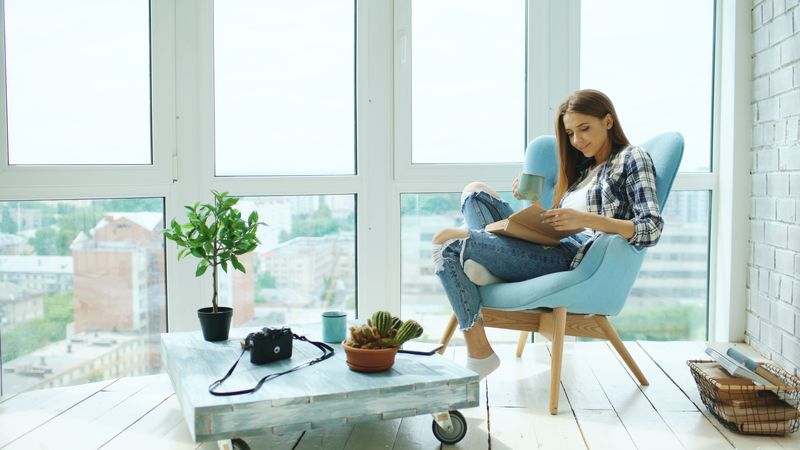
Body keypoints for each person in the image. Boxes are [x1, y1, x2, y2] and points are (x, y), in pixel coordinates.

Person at [431, 89, 663, 379]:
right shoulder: (583, 168)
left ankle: (480, 351)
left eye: (584, 129)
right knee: (475, 192)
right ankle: (489, 266)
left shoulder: (633, 158)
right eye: (570, 133)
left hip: (573, 257)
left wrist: (587, 219)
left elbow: (651, 228)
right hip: (548, 244)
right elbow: (555, 222)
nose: (577, 140)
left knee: (448, 243)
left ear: (608, 121)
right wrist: (532, 202)